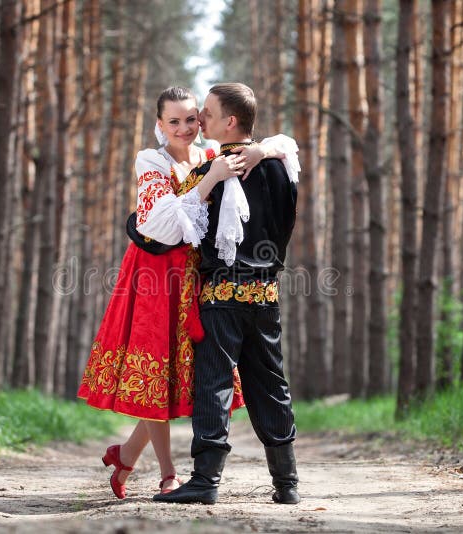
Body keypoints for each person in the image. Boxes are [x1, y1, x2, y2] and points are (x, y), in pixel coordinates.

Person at [77, 86, 298, 499]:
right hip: (158, 273)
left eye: (192, 118)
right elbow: (155, 226)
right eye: (173, 121)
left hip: (199, 276)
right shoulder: (154, 160)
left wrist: (260, 152)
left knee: (189, 377)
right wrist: (213, 178)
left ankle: (129, 457)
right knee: (159, 371)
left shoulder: (208, 157)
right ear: (159, 125)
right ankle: (168, 473)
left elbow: (281, 144)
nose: (185, 127)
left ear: (205, 121)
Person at [153, 83, 300, 505]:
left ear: (230, 122)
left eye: (209, 114)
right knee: (270, 383)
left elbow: (168, 228)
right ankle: (287, 484)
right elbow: (286, 154)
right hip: (266, 293)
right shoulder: (283, 165)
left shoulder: (213, 171)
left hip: (221, 295)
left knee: (214, 383)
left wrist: (135, 225)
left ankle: (205, 481)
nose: (200, 120)